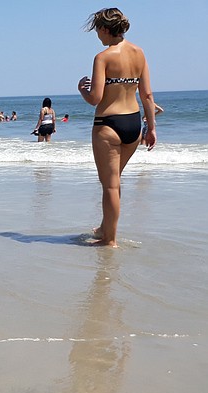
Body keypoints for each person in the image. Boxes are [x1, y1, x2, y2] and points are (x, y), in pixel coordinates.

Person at [78, 7, 157, 247]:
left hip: (108, 125)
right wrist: (151, 128)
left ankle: (109, 240)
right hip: (133, 124)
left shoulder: (103, 57)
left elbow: (95, 98)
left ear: (104, 29)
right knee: (114, 182)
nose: (97, 37)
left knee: (110, 184)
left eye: (97, 32)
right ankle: (105, 228)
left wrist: (82, 90)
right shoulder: (139, 53)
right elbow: (147, 94)